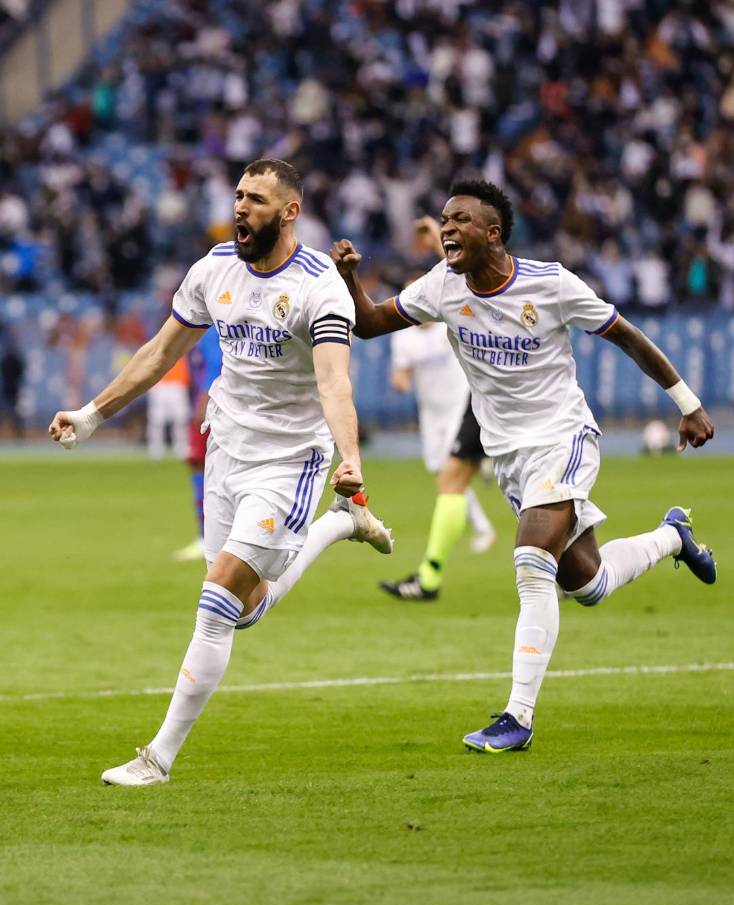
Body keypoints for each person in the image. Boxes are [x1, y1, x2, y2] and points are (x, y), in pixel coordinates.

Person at [331, 178, 716, 753]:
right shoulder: (442, 286)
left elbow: (628, 337)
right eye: (444, 219)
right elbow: (368, 323)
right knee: (588, 584)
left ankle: (518, 717)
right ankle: (671, 536)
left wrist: (687, 403)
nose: (447, 227)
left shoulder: (551, 284)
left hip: (563, 437)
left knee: (532, 563)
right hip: (509, 455)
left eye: (460, 219)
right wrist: (349, 278)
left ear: (493, 233)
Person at [49, 159, 393, 785]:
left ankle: (157, 759)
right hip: (226, 446)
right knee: (244, 609)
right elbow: (160, 351)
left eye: (256, 199)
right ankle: (342, 525)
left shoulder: (320, 286)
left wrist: (351, 458)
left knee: (215, 602)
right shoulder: (214, 269)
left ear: (289, 212)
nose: (241, 207)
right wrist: (93, 415)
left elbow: (334, 382)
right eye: (238, 195)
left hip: (290, 461)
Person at [380, 217, 495, 602]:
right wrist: (400, 380)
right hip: (443, 413)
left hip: (470, 404)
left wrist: (436, 242)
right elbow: (401, 373)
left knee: (460, 479)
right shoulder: (408, 335)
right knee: (452, 478)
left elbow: (456, 271)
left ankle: (567, 567)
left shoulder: (451, 314)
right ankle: (430, 577)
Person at [173, 325, 222, 561]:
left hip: (214, 404)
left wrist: (203, 402)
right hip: (218, 402)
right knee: (201, 464)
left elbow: (215, 364)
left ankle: (207, 537)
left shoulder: (213, 328)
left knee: (201, 464)